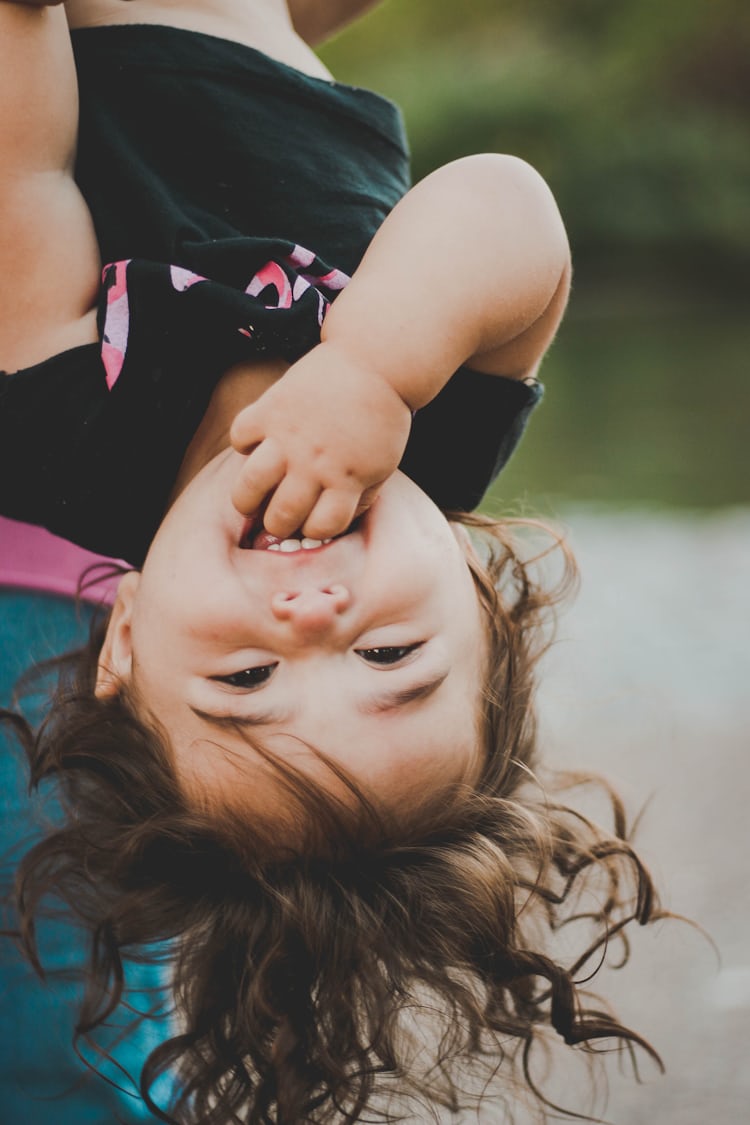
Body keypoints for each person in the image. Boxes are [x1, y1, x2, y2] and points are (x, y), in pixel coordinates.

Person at [0, 2, 664, 1121]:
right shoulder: (437, 426)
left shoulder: (62, 446)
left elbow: (28, 184)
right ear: (473, 599)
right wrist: (372, 368)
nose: (312, 621)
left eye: (247, 682)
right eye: (393, 652)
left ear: (123, 638)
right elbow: (507, 203)